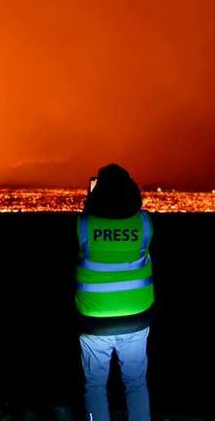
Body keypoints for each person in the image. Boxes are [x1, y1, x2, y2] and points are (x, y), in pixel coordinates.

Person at [75, 164, 154, 420]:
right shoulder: (144, 223)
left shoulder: (83, 225)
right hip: (136, 315)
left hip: (94, 318)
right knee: (136, 382)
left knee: (95, 384)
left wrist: (91, 206)